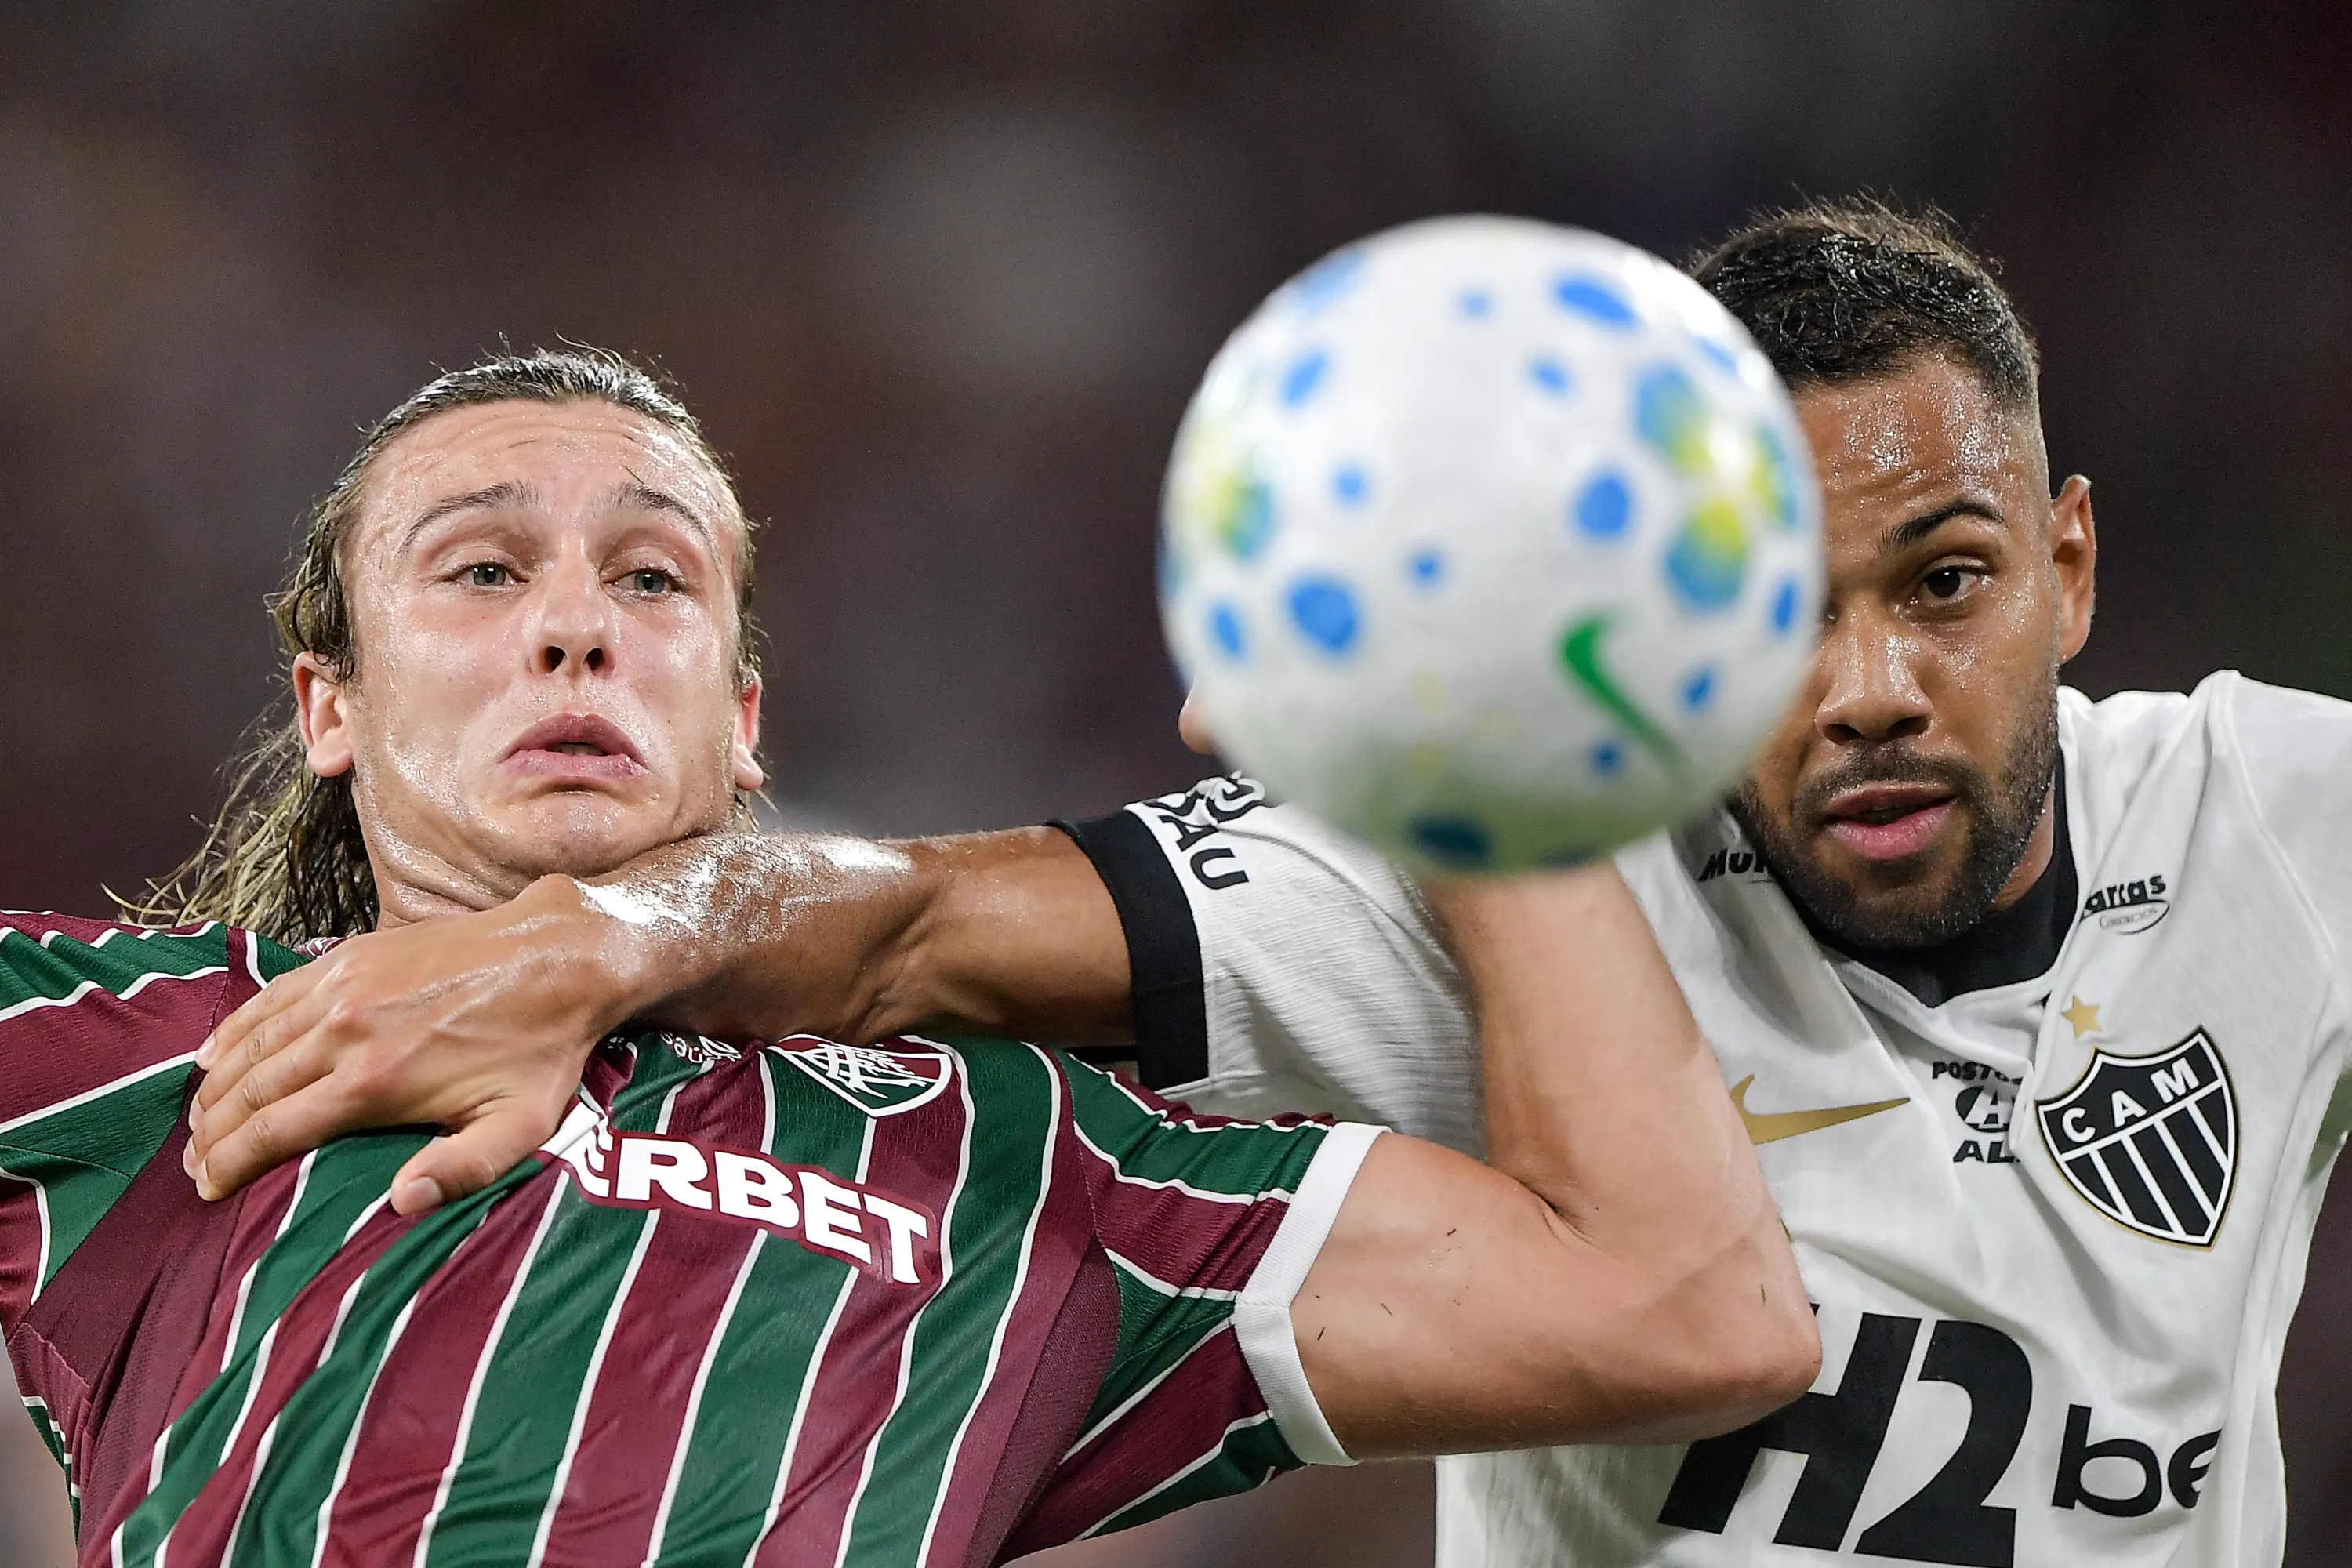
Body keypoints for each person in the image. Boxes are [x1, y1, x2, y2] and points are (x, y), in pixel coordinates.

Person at [188, 200, 2352, 1567]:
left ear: (2069, 566)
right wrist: (602, 932)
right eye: (1782, 608)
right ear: (1668, 601)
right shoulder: (1504, 875)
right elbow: (921, 916)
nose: (1870, 688)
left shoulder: (2273, 817)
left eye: (1946, 585)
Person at [0, 349, 1815, 1566]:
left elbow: (1684, 1307)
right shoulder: (177, 1050)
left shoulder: (1017, 1153)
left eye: (653, 580)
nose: (574, 627)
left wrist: (1475, 749)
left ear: (743, 720)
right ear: (329, 706)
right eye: (480, 571)